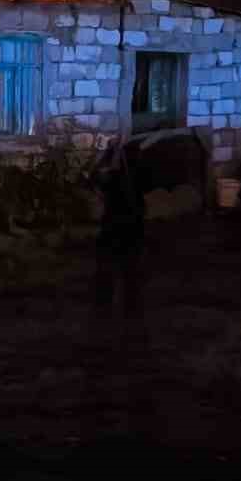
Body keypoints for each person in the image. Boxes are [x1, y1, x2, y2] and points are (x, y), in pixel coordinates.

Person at [93, 135, 149, 334]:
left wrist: (108, 152)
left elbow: (94, 177)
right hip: (133, 229)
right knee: (130, 273)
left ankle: (107, 309)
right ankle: (130, 312)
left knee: (110, 270)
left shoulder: (117, 179)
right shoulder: (139, 177)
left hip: (115, 229)